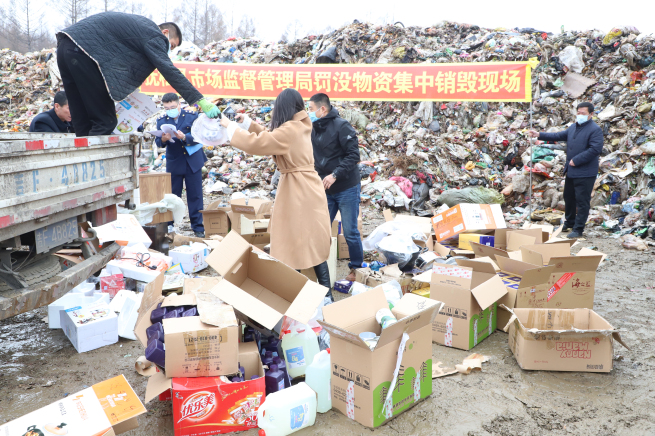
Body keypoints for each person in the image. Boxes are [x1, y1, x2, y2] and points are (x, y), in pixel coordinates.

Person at [220, 89, 333, 300]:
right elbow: (272, 138)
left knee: (294, 244)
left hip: (297, 190)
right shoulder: (299, 126)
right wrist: (248, 123)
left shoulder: (290, 129)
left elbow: (259, 143)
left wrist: (232, 128)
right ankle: (326, 296)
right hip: (306, 188)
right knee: (310, 241)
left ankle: (294, 297)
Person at [55, 12, 220, 137]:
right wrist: (199, 100)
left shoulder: (139, 30)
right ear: (165, 33)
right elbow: (169, 70)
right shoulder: (155, 36)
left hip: (65, 48)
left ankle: (81, 162)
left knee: (82, 119)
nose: (168, 49)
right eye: (172, 44)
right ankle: (93, 168)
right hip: (84, 53)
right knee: (105, 121)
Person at [308, 93, 363, 281]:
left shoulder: (342, 126)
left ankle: (356, 268)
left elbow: (354, 156)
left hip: (346, 187)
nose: (309, 113)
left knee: (350, 231)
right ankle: (319, 268)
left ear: (322, 109)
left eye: (311, 109)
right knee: (320, 229)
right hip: (326, 189)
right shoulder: (313, 128)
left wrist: (335, 174)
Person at [528, 102, 603, 238]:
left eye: (583, 113)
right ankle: (569, 222)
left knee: (582, 201)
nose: (580, 115)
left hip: (585, 172)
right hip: (572, 171)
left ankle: (578, 229)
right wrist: (538, 134)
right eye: (578, 113)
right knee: (569, 197)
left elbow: (595, 149)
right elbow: (558, 136)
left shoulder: (595, 129)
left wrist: (577, 160)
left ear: (591, 114)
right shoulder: (573, 127)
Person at [155, 93, 206, 238]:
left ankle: (198, 227)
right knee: (173, 195)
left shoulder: (191, 116)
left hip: (192, 161)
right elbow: (158, 142)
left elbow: (200, 137)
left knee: (195, 195)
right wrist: (164, 140)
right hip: (174, 161)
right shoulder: (162, 120)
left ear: (178, 104)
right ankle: (170, 226)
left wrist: (184, 137)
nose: (170, 109)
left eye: (172, 107)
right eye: (167, 108)